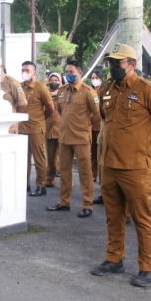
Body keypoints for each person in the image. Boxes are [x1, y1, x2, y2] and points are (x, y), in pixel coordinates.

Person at [90, 44, 151, 288]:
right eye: (111, 63)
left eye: (118, 63)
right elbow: (106, 119)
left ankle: (147, 267)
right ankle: (114, 258)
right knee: (113, 216)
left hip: (136, 166)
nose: (113, 67)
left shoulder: (146, 90)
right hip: (110, 164)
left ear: (131, 65)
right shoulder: (107, 89)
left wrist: (146, 140)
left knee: (143, 218)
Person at [47, 59, 100, 218]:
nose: (69, 75)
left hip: (81, 138)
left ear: (80, 73)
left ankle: (87, 204)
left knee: (85, 173)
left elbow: (97, 115)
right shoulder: (62, 91)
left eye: (72, 72)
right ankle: (64, 202)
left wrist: (86, 127)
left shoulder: (88, 92)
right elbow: (60, 111)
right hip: (64, 138)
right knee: (64, 172)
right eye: (67, 72)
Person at [19, 61, 55, 196]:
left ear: (34, 72)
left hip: (36, 128)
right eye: (23, 70)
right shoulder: (20, 87)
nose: (24, 72)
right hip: (22, 128)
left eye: (27, 70)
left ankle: (41, 185)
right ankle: (25, 184)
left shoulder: (41, 87)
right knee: (24, 159)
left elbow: (51, 108)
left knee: (39, 159)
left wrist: (40, 120)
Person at [44, 72, 63, 188]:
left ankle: (65, 182)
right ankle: (49, 179)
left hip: (62, 128)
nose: (54, 82)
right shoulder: (45, 92)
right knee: (50, 158)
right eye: (52, 80)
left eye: (56, 80)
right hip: (49, 128)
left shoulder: (64, 92)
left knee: (64, 158)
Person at [0, 64, 28, 135]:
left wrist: (16, 120)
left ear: (1, 69)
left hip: (10, 124)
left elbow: (23, 104)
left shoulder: (12, 82)